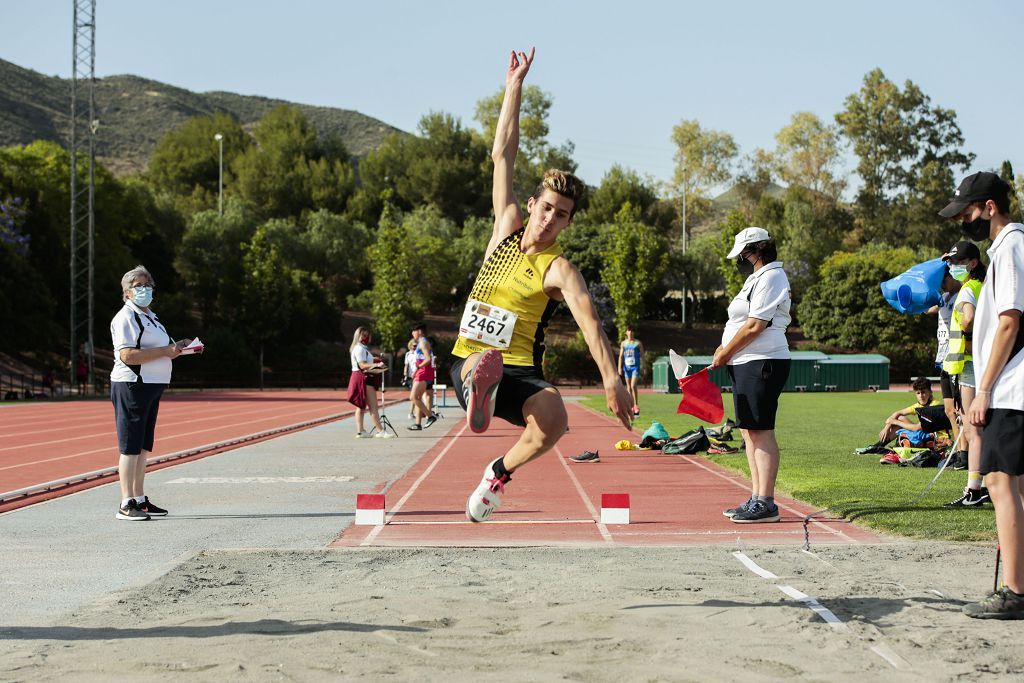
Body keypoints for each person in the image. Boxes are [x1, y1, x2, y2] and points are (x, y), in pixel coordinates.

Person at [451, 47, 632, 522]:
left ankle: (497, 472)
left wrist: (612, 379)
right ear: (532, 204)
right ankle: (477, 390)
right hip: (472, 357)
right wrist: (514, 86)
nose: (551, 219)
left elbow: (590, 325)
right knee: (480, 362)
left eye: (562, 215)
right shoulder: (506, 228)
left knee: (555, 420)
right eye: (547, 208)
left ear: (569, 224)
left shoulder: (559, 269)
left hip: (519, 371)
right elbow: (502, 153)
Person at [940, 172, 1024, 619]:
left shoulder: (1010, 245)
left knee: (998, 481)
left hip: (1011, 386)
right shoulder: (1005, 247)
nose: (964, 221)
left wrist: (985, 389)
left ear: (989, 207)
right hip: (1011, 384)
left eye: (968, 213)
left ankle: (1015, 591)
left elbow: (1010, 320)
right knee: (1012, 484)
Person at [710, 227, 791, 524]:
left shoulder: (771, 276)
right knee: (748, 431)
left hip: (763, 361)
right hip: (746, 361)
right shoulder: (755, 279)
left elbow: (756, 325)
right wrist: (725, 348)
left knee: (760, 430)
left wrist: (725, 352)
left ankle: (766, 502)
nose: (741, 259)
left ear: (756, 251)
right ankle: (756, 497)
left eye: (744, 254)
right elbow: (741, 322)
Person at [109, 265, 198, 521]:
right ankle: (126, 503)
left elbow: (161, 348)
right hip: (132, 385)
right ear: (127, 291)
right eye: (139, 285)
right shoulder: (126, 317)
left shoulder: (151, 316)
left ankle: (139, 499)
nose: (145, 289)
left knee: (143, 446)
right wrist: (164, 351)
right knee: (130, 447)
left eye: (148, 285)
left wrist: (179, 348)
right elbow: (127, 355)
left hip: (151, 386)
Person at [941, 240, 989, 507]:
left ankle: (974, 488)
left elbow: (968, 318)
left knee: (972, 429)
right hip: (981, 361)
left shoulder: (968, 290)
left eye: (955, 262)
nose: (951, 267)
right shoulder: (984, 286)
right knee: (981, 426)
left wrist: (970, 337)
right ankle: (986, 483)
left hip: (969, 363)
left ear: (971, 264)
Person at [927, 270, 962, 460]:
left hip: (956, 357)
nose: (942, 284)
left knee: (959, 411)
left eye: (944, 279)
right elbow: (928, 308)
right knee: (949, 411)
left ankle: (964, 453)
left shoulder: (962, 295)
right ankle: (957, 452)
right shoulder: (944, 297)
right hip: (943, 358)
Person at [347, 326, 392, 438]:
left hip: (361, 376)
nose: (366, 337)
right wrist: (376, 364)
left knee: (361, 406)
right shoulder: (359, 349)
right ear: (358, 336)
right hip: (363, 377)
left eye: (367, 335)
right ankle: (380, 431)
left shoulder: (362, 348)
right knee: (373, 406)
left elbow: (366, 362)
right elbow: (362, 365)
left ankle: (360, 431)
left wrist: (375, 360)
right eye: (363, 335)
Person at [876, 377, 944, 448]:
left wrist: (896, 422)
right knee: (900, 418)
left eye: (923, 392)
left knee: (899, 424)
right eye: (918, 393)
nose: (921, 396)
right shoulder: (919, 405)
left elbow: (918, 428)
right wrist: (886, 428)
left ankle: (880, 446)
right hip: (926, 434)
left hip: (936, 438)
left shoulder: (934, 405)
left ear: (930, 392)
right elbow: (898, 413)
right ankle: (879, 446)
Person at [407, 323, 437, 431]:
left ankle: (430, 416)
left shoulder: (423, 343)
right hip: (423, 372)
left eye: (414, 331)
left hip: (423, 372)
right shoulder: (421, 342)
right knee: (418, 399)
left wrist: (417, 368)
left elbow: (428, 359)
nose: (412, 333)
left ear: (419, 331)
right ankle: (418, 424)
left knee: (413, 398)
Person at [619, 326, 644, 417]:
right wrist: (619, 368)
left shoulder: (638, 343)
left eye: (632, 330)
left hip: (635, 367)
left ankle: (636, 405)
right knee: (628, 387)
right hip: (627, 368)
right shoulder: (623, 344)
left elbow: (643, 355)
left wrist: (644, 366)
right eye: (629, 330)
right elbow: (621, 356)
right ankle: (631, 405)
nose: (630, 332)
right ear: (626, 333)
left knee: (633, 385)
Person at [403, 338, 417, 420]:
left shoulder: (418, 353)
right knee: (414, 395)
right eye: (414, 345)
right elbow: (406, 365)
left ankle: (413, 412)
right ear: (410, 346)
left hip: (418, 375)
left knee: (415, 395)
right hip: (411, 376)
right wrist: (405, 373)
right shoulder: (408, 354)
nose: (415, 347)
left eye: (416, 346)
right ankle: (412, 412)